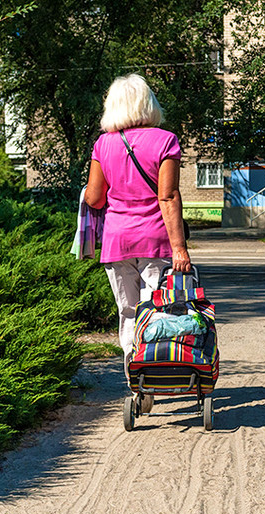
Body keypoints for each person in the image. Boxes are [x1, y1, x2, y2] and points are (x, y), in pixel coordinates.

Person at [85, 73, 191, 412]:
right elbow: (169, 196)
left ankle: (138, 385)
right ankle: (159, 374)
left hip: (116, 242)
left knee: (128, 313)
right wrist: (180, 248)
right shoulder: (165, 141)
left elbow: (95, 198)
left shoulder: (104, 144)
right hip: (155, 241)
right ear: (148, 103)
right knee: (157, 312)